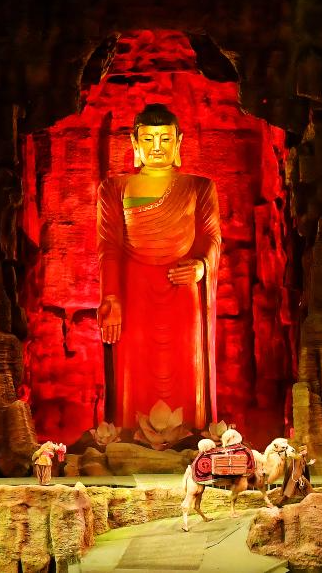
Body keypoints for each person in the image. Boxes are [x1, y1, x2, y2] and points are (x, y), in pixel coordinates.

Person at [97, 103, 222, 430]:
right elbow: (108, 247)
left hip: (183, 292)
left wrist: (202, 267)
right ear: (134, 143)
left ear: (178, 142)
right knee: (134, 367)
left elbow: (212, 238)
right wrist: (111, 297)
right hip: (134, 293)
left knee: (185, 363)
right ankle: (130, 437)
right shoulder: (114, 188)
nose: (156, 147)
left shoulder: (199, 187)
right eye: (148, 139)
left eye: (165, 139)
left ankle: (191, 437)